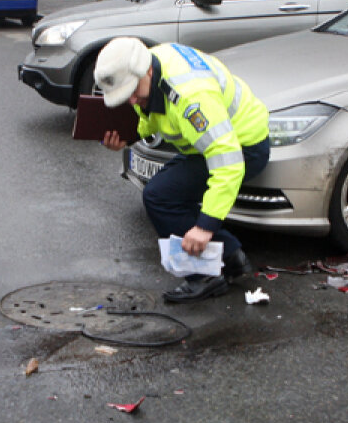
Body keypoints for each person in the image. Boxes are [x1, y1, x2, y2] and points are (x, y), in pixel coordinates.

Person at [97, 37, 270, 302]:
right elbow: (154, 111)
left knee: (161, 196)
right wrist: (129, 136)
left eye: (132, 91)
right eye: (124, 96)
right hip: (210, 144)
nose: (131, 101)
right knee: (162, 193)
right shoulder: (146, 61)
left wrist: (205, 226)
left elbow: (228, 162)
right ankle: (230, 256)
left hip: (242, 147)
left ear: (147, 71)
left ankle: (205, 276)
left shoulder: (191, 98)